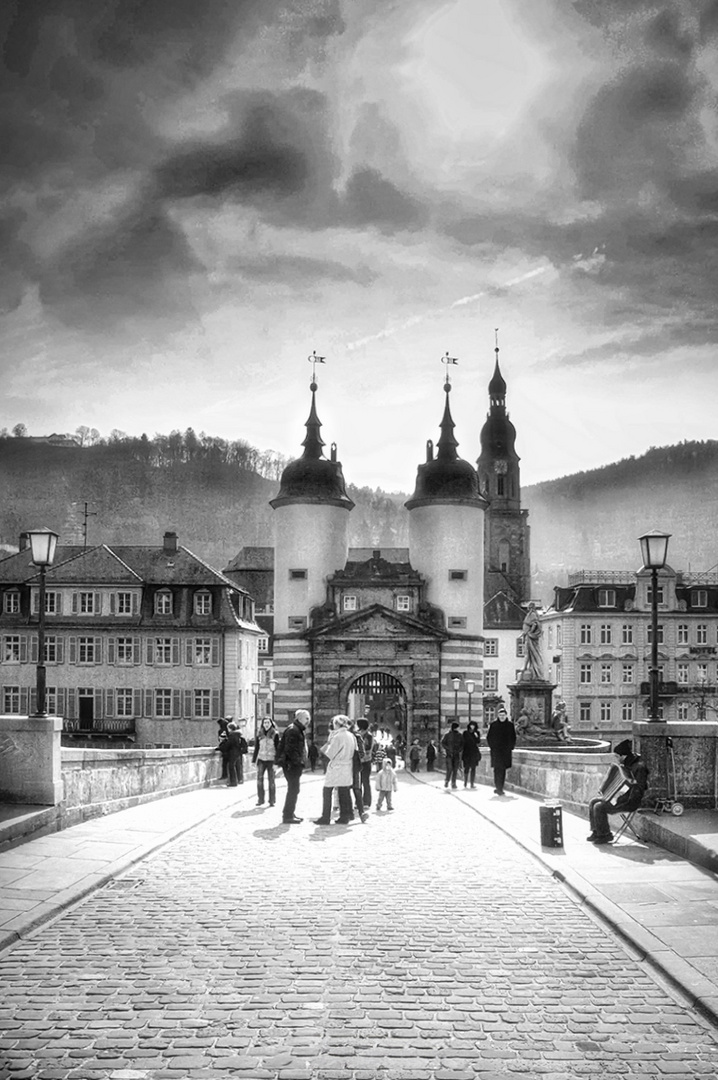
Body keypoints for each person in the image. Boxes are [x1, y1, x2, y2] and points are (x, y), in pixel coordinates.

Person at [587, 739, 649, 845]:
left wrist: (618, 799)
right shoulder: (626, 765)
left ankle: (605, 835)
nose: (616, 759)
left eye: (617, 756)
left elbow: (638, 789)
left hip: (629, 802)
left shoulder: (639, 767)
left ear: (623, 756)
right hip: (620, 798)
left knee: (599, 806)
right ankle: (596, 832)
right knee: (593, 801)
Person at [313, 715, 356, 825]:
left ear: (337, 724)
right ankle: (345, 816)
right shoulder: (351, 735)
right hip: (347, 765)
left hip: (337, 766)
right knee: (344, 791)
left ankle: (325, 817)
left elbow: (330, 753)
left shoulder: (337, 737)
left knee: (327, 791)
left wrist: (326, 746)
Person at [280, 709, 310, 824]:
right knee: (293, 789)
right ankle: (287, 816)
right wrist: (298, 762)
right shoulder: (293, 730)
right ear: (299, 718)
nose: (308, 721)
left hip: (293, 764)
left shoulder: (297, 729)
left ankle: (289, 813)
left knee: (294, 789)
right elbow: (290, 749)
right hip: (292, 765)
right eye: (306, 718)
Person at [486, 707, 516, 796]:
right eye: (500, 715)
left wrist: (511, 747)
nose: (502, 717)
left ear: (506, 715)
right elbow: (489, 737)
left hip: (506, 751)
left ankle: (500, 788)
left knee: (502, 770)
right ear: (498, 716)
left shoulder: (510, 725)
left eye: (503, 715)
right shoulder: (493, 725)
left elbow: (513, 737)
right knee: (496, 769)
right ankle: (498, 787)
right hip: (496, 751)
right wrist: (492, 747)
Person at [252, 716, 279, 807]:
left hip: (271, 760)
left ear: (271, 724)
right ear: (262, 724)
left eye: (268, 723)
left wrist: (277, 762)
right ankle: (260, 799)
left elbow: (278, 749)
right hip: (261, 759)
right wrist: (253, 760)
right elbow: (256, 748)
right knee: (259, 780)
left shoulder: (275, 734)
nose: (266, 725)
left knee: (271, 781)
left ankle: (272, 800)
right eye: (265, 723)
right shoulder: (259, 734)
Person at [520, 603, 544, 680]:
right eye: (528, 607)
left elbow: (534, 624)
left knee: (529, 652)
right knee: (528, 652)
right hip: (527, 635)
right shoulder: (530, 614)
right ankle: (527, 667)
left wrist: (530, 632)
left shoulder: (533, 614)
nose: (529, 609)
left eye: (530, 607)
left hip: (530, 637)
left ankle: (527, 667)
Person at [356, 718, 375, 807]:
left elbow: (367, 748)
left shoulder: (369, 735)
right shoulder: (357, 734)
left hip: (366, 761)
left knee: (365, 782)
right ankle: (358, 801)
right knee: (357, 783)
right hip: (358, 761)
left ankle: (366, 801)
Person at [225, 721, 248, 788]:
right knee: (238, 766)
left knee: (231, 766)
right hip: (238, 753)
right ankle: (240, 779)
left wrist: (221, 748)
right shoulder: (239, 734)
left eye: (228, 728)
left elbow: (229, 744)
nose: (228, 730)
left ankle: (233, 782)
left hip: (233, 752)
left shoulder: (232, 735)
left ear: (230, 729)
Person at [441, 721, 463, 789]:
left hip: (456, 754)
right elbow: (443, 743)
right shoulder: (447, 735)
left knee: (455, 769)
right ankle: (447, 781)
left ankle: (453, 783)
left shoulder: (460, 735)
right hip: (449, 754)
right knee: (450, 769)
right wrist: (448, 749)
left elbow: (462, 744)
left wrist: (459, 750)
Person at [461, 721, 482, 788]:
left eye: (473, 725)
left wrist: (476, 736)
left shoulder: (477, 733)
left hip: (473, 752)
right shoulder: (465, 733)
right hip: (467, 752)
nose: (472, 727)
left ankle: (472, 783)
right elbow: (463, 741)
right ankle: (465, 782)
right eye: (471, 725)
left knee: (473, 768)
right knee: (466, 768)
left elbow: (478, 741)